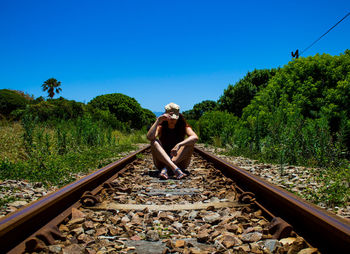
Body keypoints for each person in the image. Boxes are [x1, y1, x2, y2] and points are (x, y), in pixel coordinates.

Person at [147, 102, 198, 180]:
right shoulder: (161, 126)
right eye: (170, 117)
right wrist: (157, 121)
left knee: (190, 143)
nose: (172, 120)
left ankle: (166, 169)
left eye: (174, 117)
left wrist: (179, 145)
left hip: (180, 164)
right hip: (162, 162)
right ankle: (174, 168)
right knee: (154, 142)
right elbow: (150, 137)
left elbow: (195, 137)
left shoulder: (183, 126)